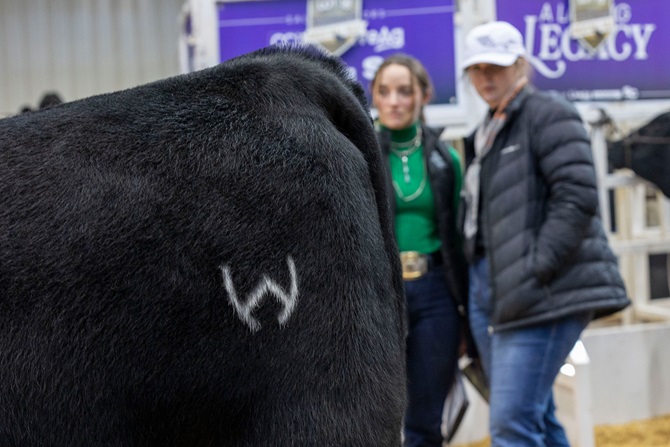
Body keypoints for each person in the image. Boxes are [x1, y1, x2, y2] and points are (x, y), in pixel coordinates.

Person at [459, 21, 630, 446]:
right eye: (476, 68)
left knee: (511, 423)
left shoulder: (547, 111)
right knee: (538, 415)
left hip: (539, 290)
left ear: (520, 64)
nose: (485, 77)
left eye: (494, 67)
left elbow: (577, 197)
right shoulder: (488, 129)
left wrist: (536, 267)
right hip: (494, 290)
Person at [371, 53, 469, 447]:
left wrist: (465, 312)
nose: (394, 101)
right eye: (384, 92)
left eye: (404, 91)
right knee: (373, 420)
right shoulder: (355, 155)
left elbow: (459, 238)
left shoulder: (446, 159)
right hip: (377, 296)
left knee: (425, 423)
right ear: (374, 98)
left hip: (435, 295)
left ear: (422, 96)